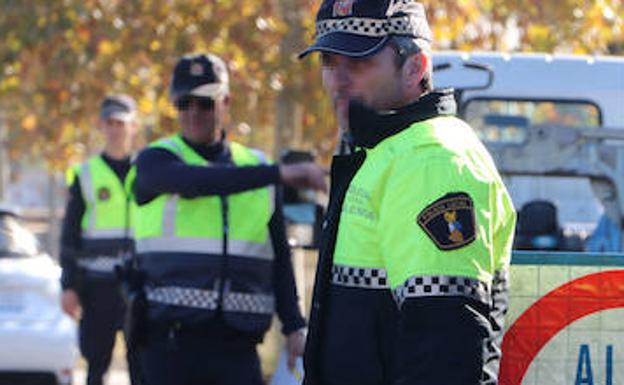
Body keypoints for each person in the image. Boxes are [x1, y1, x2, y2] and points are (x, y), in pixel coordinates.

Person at [299, 1, 517, 384]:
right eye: (329, 62)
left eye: (360, 61)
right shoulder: (385, 152)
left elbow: (444, 347)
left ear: (416, 67)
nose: (339, 79)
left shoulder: (432, 160)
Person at [132, 52, 326, 385]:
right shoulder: (156, 160)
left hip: (237, 348)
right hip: (168, 345)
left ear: (225, 102)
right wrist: (280, 173)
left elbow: (279, 255)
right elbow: (199, 181)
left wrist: (294, 326)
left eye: (205, 103)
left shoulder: (255, 165)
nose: (193, 112)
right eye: (184, 103)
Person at [60, 94, 141, 385]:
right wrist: (69, 286)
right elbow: (69, 235)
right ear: (102, 125)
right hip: (98, 285)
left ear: (133, 126)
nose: (116, 128)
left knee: (142, 365)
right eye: (110, 122)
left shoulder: (148, 171)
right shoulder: (86, 175)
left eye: (122, 122)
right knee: (96, 365)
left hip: (140, 283)